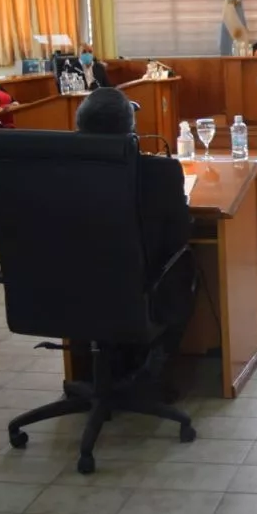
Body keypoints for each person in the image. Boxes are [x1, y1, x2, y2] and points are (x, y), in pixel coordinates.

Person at [74, 88, 193, 374]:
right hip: (136, 285)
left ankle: (99, 369)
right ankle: (153, 367)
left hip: (68, 288)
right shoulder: (161, 172)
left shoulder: (58, 172)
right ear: (132, 130)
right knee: (188, 270)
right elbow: (179, 237)